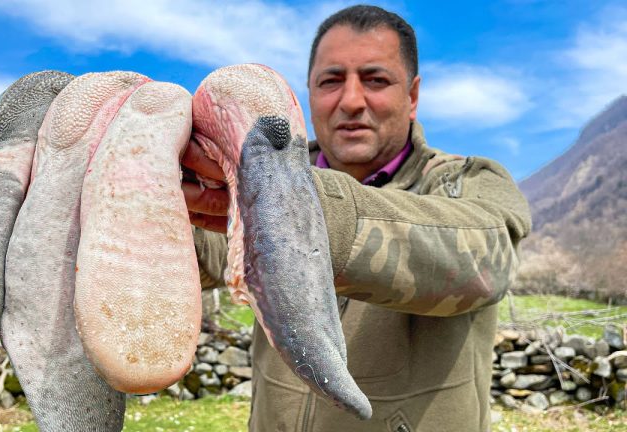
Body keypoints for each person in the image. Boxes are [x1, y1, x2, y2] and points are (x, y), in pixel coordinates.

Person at [181, 5, 531, 432]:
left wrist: (301, 207)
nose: (350, 101)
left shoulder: (469, 180)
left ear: (413, 96)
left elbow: (482, 264)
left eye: (375, 79)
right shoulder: (253, 172)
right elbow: (200, 252)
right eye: (330, 81)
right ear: (309, 94)